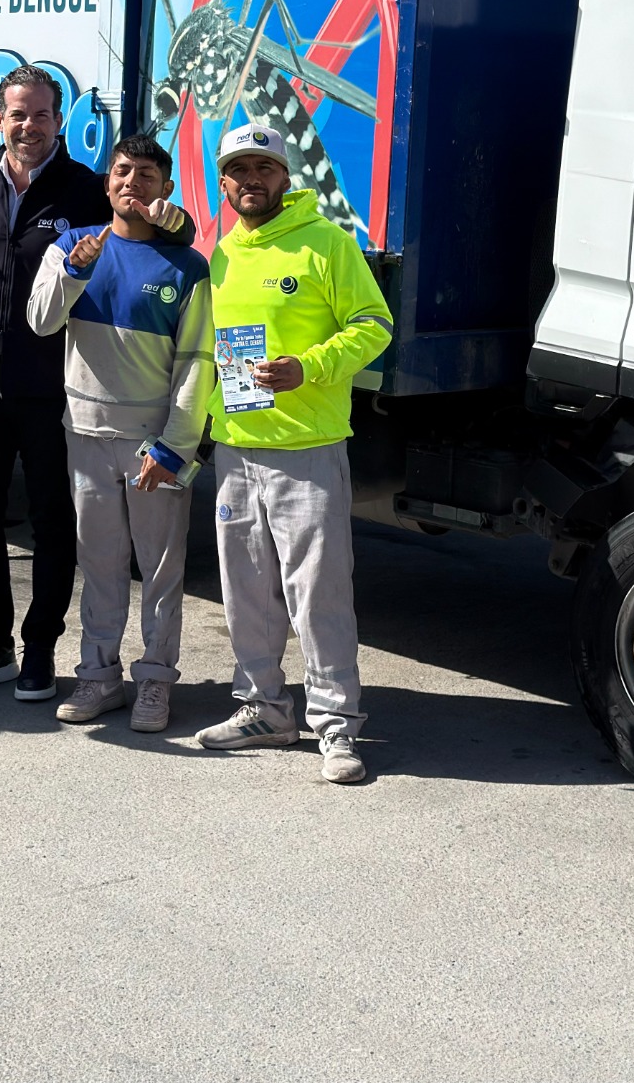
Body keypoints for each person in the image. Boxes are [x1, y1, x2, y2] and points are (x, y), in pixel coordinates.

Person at [0, 66, 193, 702]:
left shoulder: (86, 189)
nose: (29, 125)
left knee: (52, 523)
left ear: (58, 120)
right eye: (17, 113)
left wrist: (178, 226)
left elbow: (149, 228)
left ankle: (41, 647)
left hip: (52, 392)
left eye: (41, 114)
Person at [192, 122, 393, 784]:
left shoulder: (327, 244)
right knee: (246, 592)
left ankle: (336, 726)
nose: (251, 180)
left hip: (306, 450)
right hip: (237, 447)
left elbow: (374, 324)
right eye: (238, 170)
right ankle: (263, 709)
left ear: (285, 176)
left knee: (318, 594)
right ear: (223, 184)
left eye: (264, 168)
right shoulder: (220, 253)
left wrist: (309, 367)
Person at [26, 134, 214, 733]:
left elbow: (196, 362)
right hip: (84, 434)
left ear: (165, 189)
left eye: (147, 175)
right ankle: (98, 677)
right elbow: (41, 321)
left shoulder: (188, 266)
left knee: (161, 569)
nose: (133, 182)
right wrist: (75, 271)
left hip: (152, 444)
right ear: (107, 184)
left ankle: (155, 680)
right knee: (101, 565)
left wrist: (174, 445)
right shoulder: (71, 246)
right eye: (123, 172)